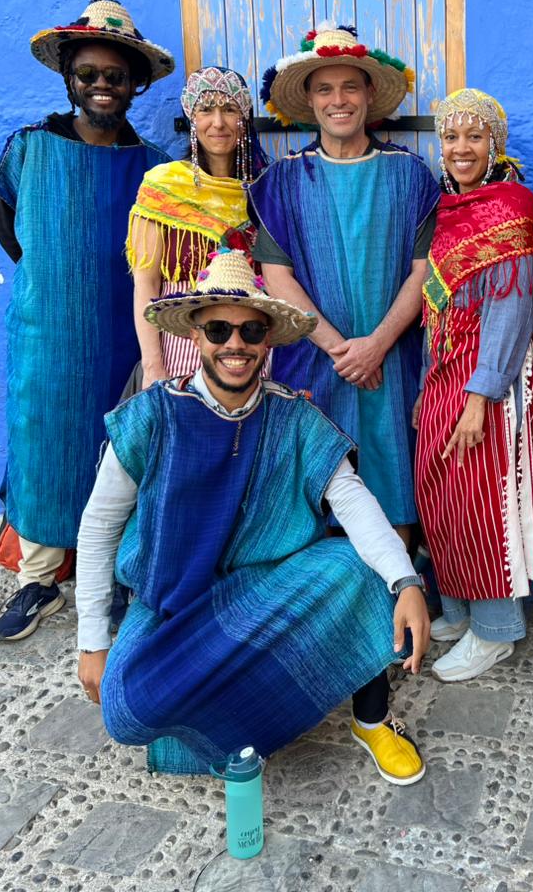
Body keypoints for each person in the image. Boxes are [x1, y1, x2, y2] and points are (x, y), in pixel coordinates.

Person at [74, 250, 432, 785]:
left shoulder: (294, 416)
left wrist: (406, 580)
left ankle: (372, 718)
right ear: (195, 335)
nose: (235, 344)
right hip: (174, 607)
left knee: (357, 566)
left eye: (251, 331)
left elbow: (352, 500)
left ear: (268, 342)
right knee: (126, 710)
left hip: (267, 593)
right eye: (218, 329)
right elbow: (99, 527)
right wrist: (91, 640)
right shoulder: (152, 416)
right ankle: (250, 718)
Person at [0, 0, 173, 642]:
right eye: (88, 73)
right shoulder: (28, 149)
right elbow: (9, 225)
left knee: (122, 453)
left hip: (127, 340)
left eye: (115, 75)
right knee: (44, 449)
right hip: (49, 338)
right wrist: (56, 281)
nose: (101, 85)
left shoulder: (154, 167)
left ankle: (117, 575)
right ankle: (38, 578)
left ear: (134, 83)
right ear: (69, 77)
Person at [249, 23, 441, 539]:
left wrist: (376, 346)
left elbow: (424, 271)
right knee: (317, 500)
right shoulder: (281, 180)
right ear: (310, 101)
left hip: (391, 361)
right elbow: (276, 276)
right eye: (325, 89)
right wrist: (343, 351)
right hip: (315, 360)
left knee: (393, 491)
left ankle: (396, 583)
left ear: (369, 93)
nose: (339, 100)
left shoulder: (411, 175)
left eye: (350, 87)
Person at [413, 88, 533, 681]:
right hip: (446, 369)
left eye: (474, 136)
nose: (461, 148)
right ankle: (460, 608)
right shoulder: (447, 209)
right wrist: (428, 384)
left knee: (482, 498)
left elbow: (511, 307)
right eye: (451, 137)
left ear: (495, 144)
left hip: (491, 373)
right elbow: (435, 307)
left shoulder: (512, 205)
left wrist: (481, 396)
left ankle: (495, 630)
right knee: (441, 493)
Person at [127, 66, 268, 388]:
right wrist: (152, 366)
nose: (218, 122)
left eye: (229, 109)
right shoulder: (164, 186)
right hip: (180, 347)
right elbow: (146, 283)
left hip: (249, 345)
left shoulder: (265, 190)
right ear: (192, 118)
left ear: (244, 118)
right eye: (206, 110)